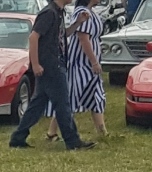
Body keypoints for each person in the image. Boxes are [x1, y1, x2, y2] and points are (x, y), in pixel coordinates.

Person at [10, 0, 95, 149]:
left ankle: (18, 137)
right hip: (51, 66)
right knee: (63, 105)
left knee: (37, 105)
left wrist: (78, 23)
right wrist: (35, 64)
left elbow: (63, 35)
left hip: (55, 65)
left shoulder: (59, 13)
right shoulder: (49, 13)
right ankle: (72, 141)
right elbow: (33, 37)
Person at [48, 0, 107, 137]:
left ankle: (102, 132)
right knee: (71, 97)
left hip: (89, 64)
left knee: (96, 96)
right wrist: (94, 62)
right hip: (80, 64)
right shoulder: (82, 12)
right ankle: (52, 132)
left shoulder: (91, 12)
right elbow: (83, 39)